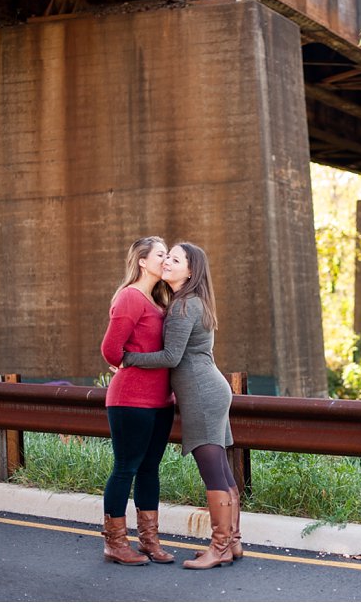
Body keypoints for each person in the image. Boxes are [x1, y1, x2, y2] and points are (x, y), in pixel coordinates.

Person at [120, 241, 241, 570]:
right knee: (222, 470)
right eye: (166, 257)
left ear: (191, 270)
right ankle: (232, 543)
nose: (167, 262)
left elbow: (171, 357)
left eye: (175, 259)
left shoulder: (184, 306)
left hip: (202, 393)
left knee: (213, 471)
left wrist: (129, 358)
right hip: (210, 388)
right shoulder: (190, 301)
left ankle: (218, 547)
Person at [98, 236, 176, 566]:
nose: (166, 259)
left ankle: (149, 541)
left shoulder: (158, 300)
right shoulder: (130, 297)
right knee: (126, 468)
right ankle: (115, 543)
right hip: (130, 400)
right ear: (143, 261)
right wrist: (128, 361)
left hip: (161, 402)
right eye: (160, 254)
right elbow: (110, 350)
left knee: (149, 470)